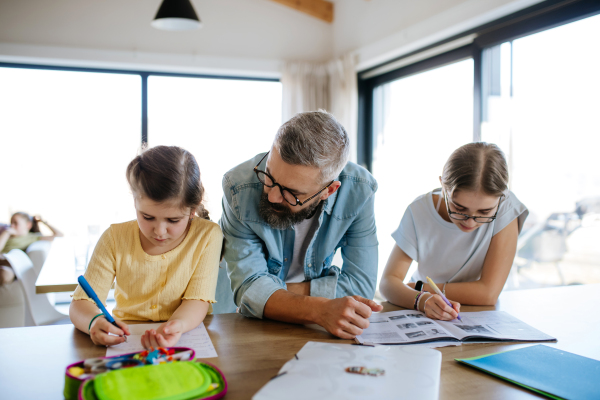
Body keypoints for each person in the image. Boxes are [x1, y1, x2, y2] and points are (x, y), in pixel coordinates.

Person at [218, 110, 382, 339]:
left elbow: (360, 289)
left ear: (328, 190)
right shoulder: (237, 186)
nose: (273, 196)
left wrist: (270, 293)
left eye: (291, 193)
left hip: (316, 330)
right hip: (248, 326)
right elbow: (248, 290)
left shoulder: (360, 190)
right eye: (268, 176)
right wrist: (321, 308)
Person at [69, 146, 222, 348]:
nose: (159, 231)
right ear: (134, 202)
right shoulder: (115, 238)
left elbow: (198, 300)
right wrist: (94, 322)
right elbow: (81, 303)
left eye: (173, 220)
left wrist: (176, 326)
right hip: (125, 340)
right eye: (147, 217)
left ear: (193, 210)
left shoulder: (208, 235)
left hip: (185, 337)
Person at [379, 142, 528, 320]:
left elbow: (488, 294)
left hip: (469, 312)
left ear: (501, 197)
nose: (471, 222)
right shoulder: (419, 210)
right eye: (459, 208)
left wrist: (421, 288)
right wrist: (422, 300)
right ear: (443, 185)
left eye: (485, 212)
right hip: (423, 308)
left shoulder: (507, 208)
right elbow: (388, 283)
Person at [0, 212, 63, 285]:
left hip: (9, 264)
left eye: (16, 223)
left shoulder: (32, 237)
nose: (12, 226)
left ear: (28, 225)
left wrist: (44, 222)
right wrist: (6, 233)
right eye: (11, 223)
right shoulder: (6, 234)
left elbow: (59, 235)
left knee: (5, 274)